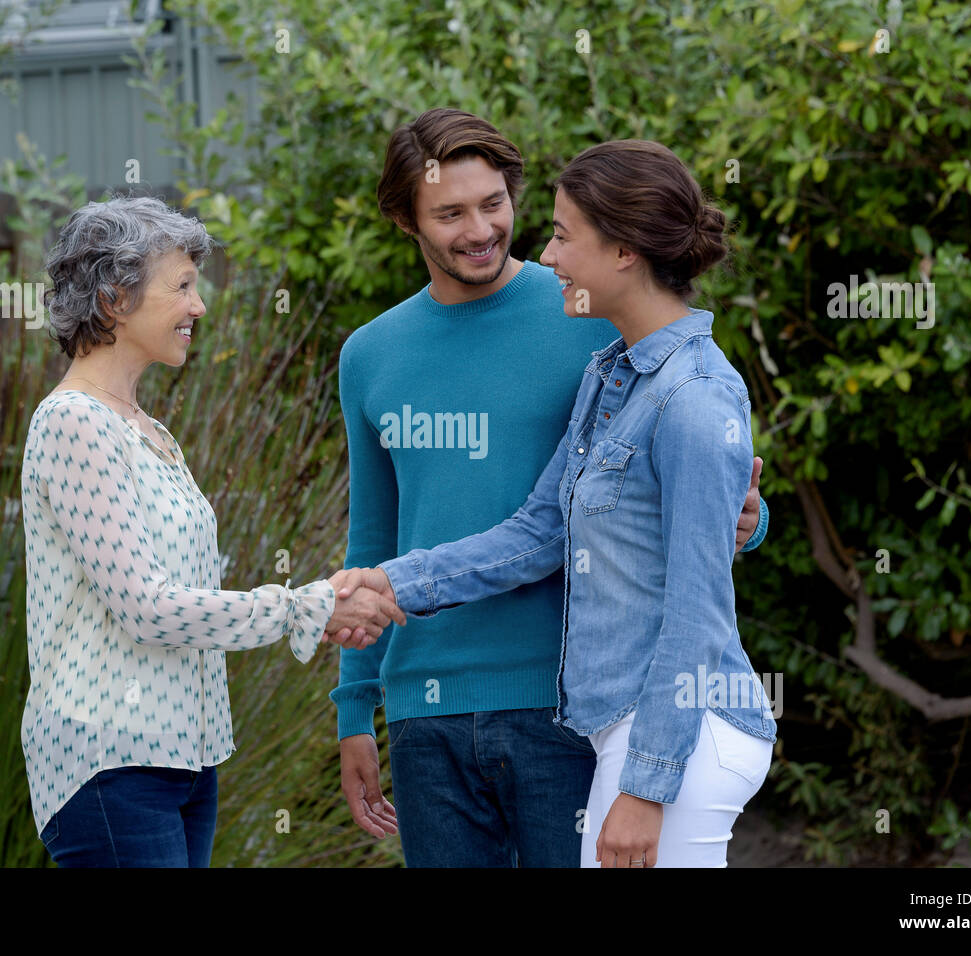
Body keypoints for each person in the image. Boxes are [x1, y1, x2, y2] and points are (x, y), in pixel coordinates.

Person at [326, 110, 768, 867]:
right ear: (406, 219)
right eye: (451, 212)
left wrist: (746, 519)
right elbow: (502, 529)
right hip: (430, 704)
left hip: (571, 704)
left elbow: (697, 545)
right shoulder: (375, 356)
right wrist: (355, 696)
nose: (487, 230)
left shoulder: (602, 323)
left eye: (495, 204)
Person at [20, 196, 402, 868]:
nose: (199, 307)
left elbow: (183, 592)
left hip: (183, 756)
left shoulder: (148, 430)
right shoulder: (74, 423)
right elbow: (147, 606)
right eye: (183, 286)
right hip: (109, 758)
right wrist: (303, 605)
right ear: (114, 300)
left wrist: (319, 605)